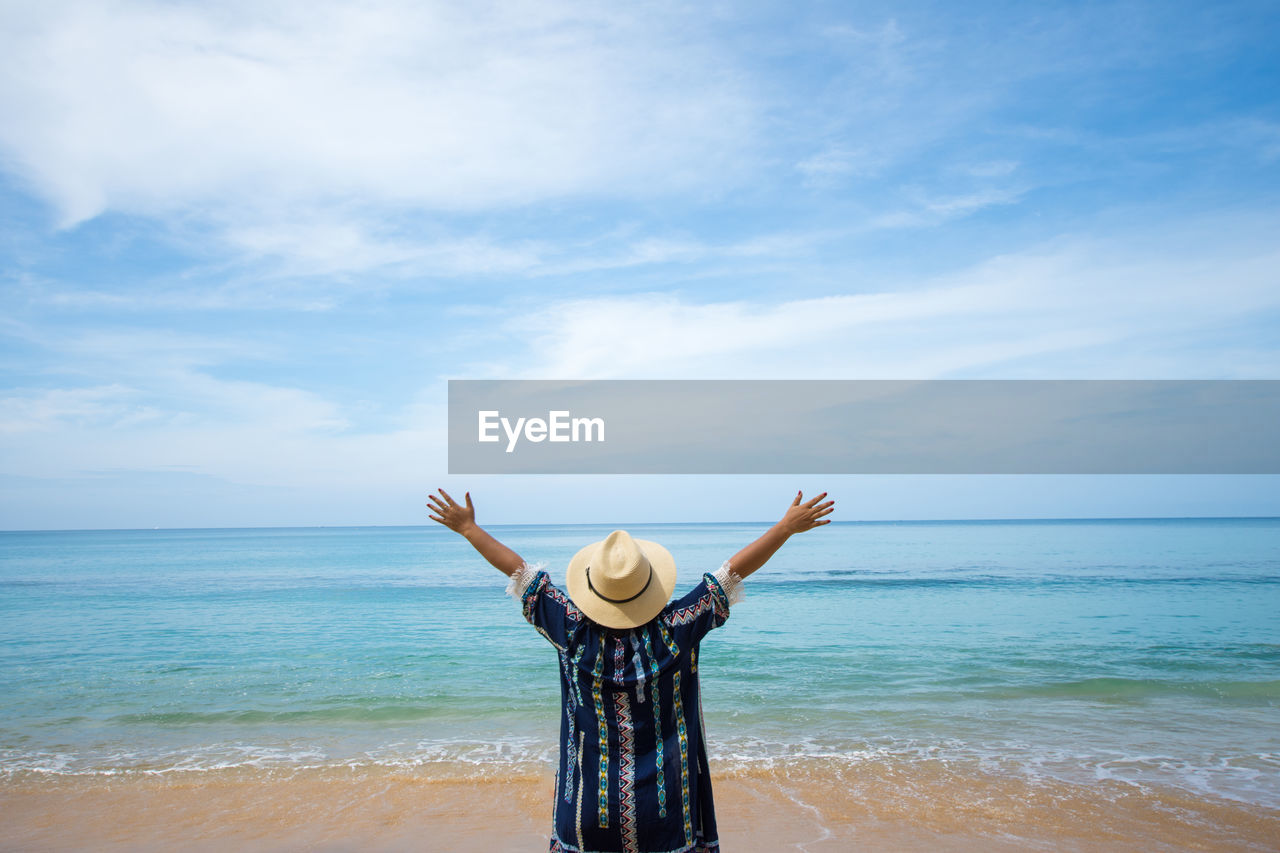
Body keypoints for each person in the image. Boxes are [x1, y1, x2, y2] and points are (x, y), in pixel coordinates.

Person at [427, 488, 834, 853]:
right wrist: (784, 528)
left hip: (587, 811)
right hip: (666, 812)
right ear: (651, 584)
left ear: (592, 587)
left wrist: (468, 528)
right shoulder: (678, 629)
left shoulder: (570, 630)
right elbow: (729, 576)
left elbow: (520, 574)